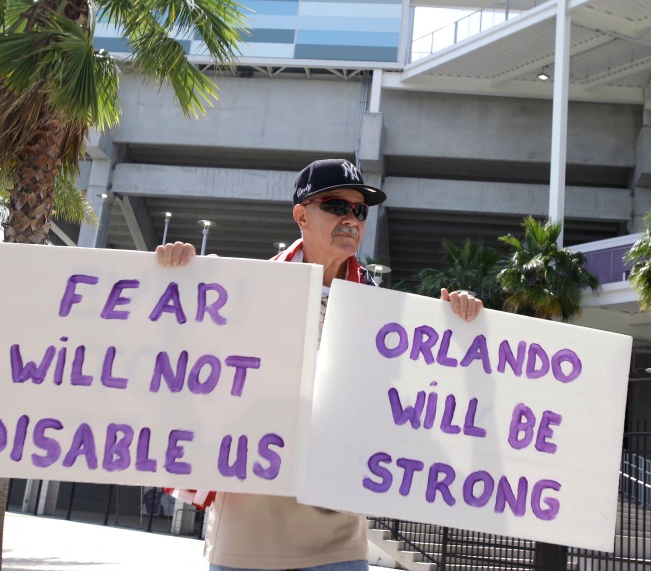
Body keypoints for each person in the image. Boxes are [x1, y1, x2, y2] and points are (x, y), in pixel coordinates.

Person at [157, 158, 483, 571]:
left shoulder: (383, 310)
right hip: (249, 528)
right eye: (336, 206)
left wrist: (456, 321)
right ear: (301, 215)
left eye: (360, 211)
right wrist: (177, 275)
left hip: (339, 535)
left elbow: (418, 390)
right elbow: (183, 361)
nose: (352, 219)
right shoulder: (243, 289)